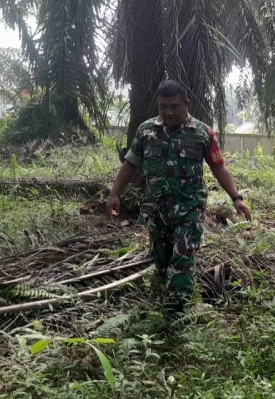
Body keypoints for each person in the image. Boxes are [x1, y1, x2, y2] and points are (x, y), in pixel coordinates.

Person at [106, 79, 251, 321]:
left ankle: (175, 316)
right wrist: (114, 194)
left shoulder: (203, 133)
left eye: (174, 106)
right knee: (162, 262)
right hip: (157, 210)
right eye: (163, 106)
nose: (168, 112)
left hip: (189, 209)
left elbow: (219, 168)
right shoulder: (146, 131)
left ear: (187, 104)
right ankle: (167, 297)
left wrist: (236, 198)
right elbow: (130, 165)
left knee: (183, 257)